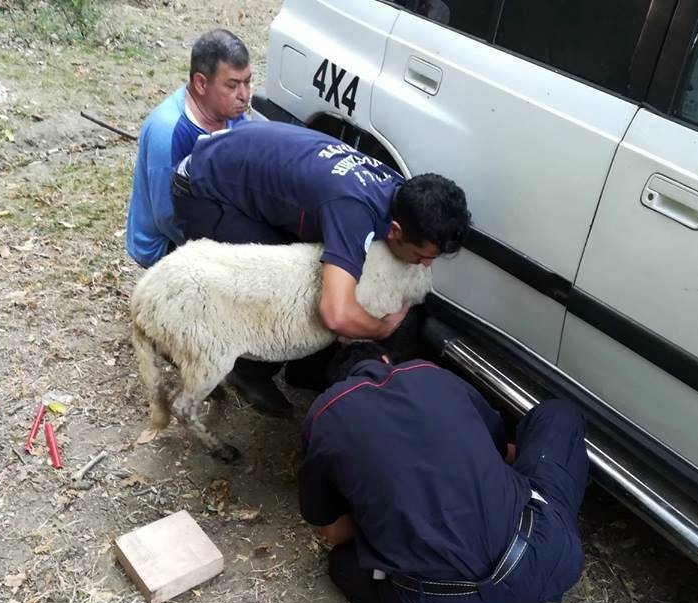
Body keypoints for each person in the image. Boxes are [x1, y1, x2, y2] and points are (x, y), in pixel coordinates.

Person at [298, 342, 590, 603]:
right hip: (545, 559)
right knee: (559, 415)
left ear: (336, 384)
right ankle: (550, 531)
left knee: (344, 566)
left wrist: (388, 510)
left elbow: (334, 533)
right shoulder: (426, 372)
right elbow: (506, 454)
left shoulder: (324, 416)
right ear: (386, 360)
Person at [170, 120, 471, 415]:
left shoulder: (398, 189)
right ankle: (247, 369)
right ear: (395, 230)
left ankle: (299, 370)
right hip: (203, 189)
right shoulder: (352, 211)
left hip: (233, 157)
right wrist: (382, 327)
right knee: (279, 287)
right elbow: (336, 313)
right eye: (421, 255)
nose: (426, 264)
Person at [126, 29, 252, 269]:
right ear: (201, 83)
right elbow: (166, 217)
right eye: (233, 85)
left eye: (247, 82)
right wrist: (225, 248)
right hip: (164, 242)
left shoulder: (230, 113)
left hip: (212, 213)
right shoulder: (169, 131)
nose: (244, 96)